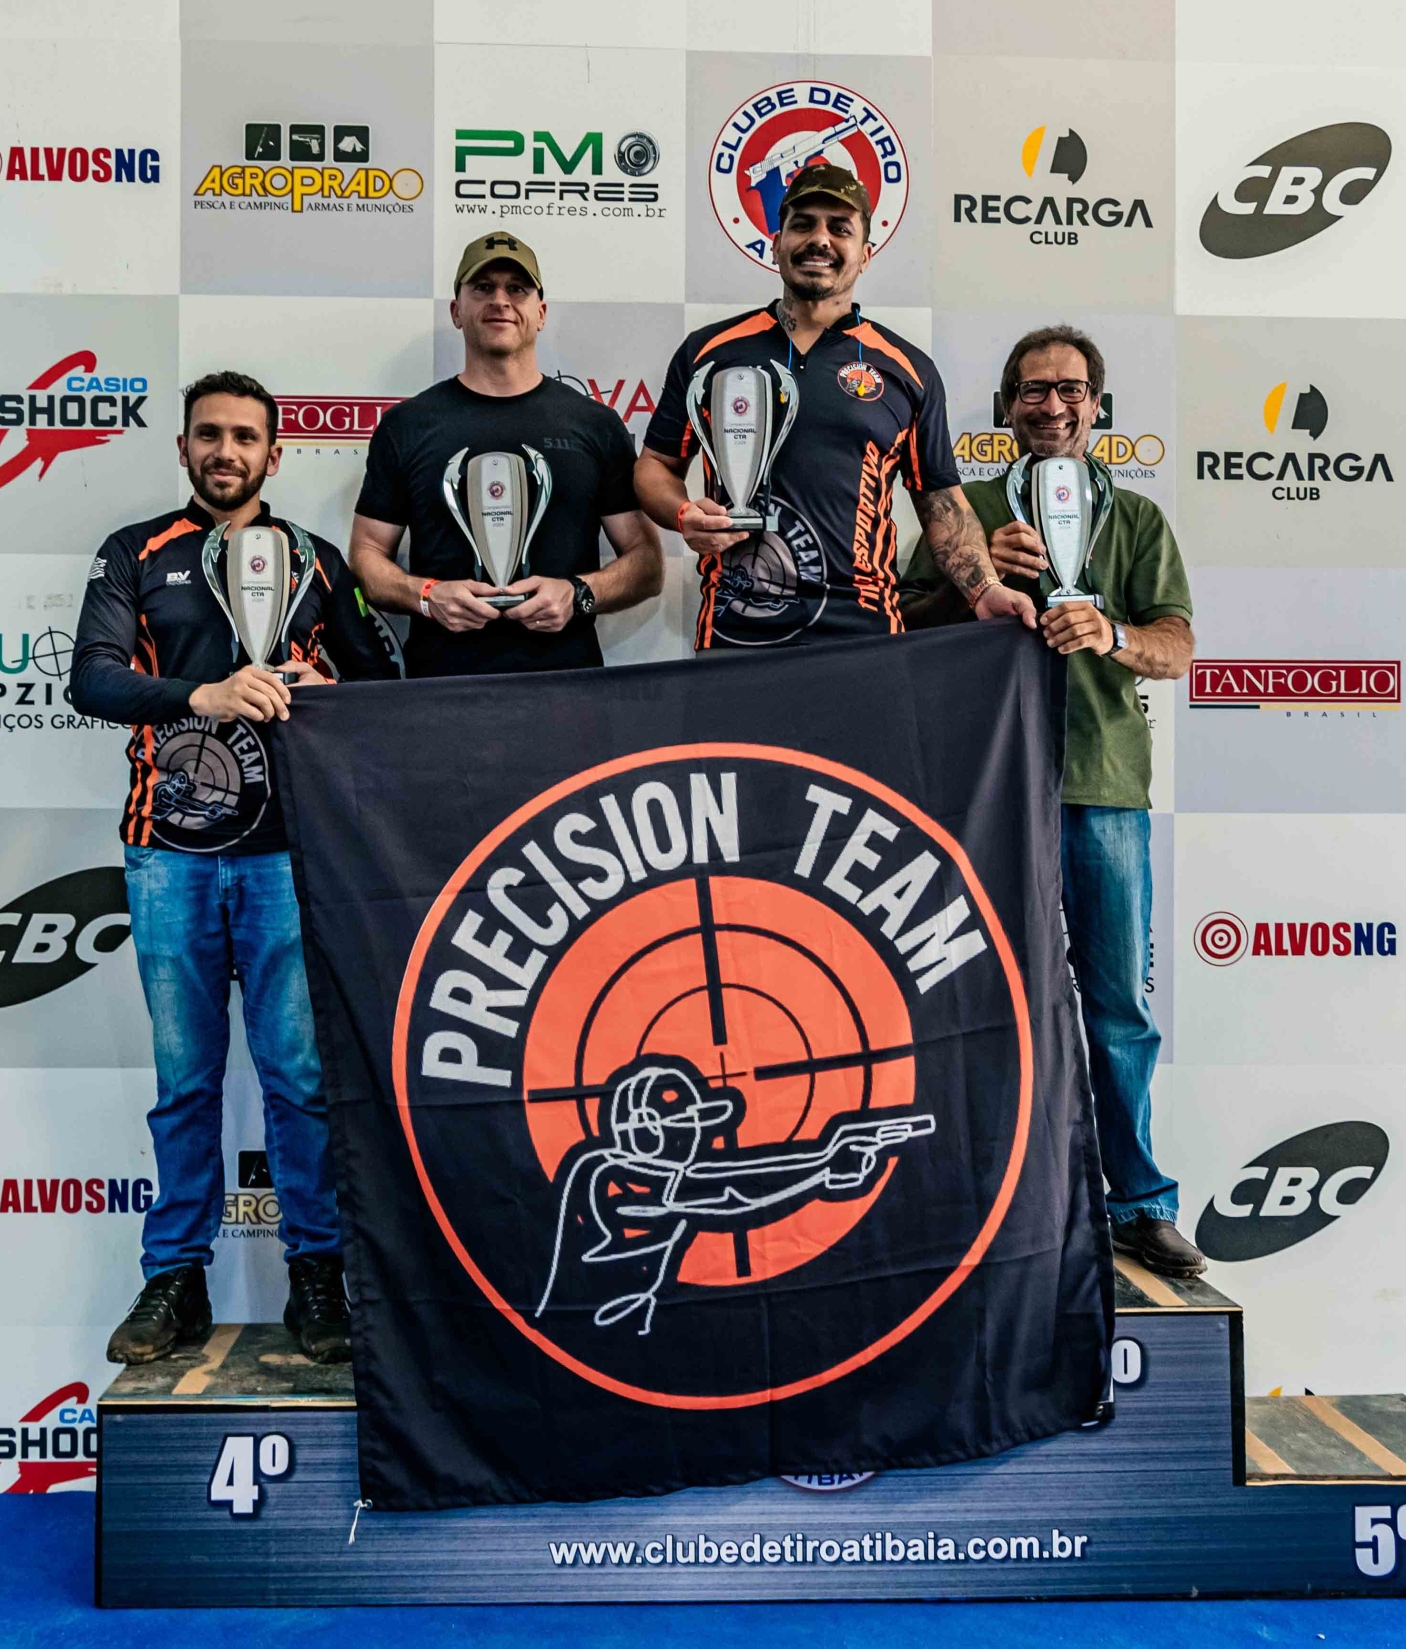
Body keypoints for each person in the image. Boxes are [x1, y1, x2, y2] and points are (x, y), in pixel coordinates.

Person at [72, 370, 401, 1366]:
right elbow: (92, 678)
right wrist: (201, 693)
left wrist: (320, 684)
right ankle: (175, 1276)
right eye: (209, 434)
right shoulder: (134, 552)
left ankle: (317, 1271)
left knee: (300, 1079)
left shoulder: (316, 561)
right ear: (183, 447)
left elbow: (383, 682)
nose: (226, 451)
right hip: (166, 853)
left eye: (245, 436)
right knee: (185, 1081)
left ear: (275, 453)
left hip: (285, 856)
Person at [898, 326, 1202, 1277]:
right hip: (985, 786)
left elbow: (1177, 646)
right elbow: (902, 623)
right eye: (1034, 389)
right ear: (1007, 407)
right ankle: (985, 1195)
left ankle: (1138, 1202)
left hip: (1103, 784)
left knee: (1117, 1006)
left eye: (1071, 389)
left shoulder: (1137, 517)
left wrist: (1112, 633)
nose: (1053, 404)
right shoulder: (969, 511)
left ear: (1097, 406)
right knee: (979, 1000)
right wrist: (979, 577)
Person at [635, 161, 1031, 649]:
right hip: (735, 632)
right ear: (776, 243)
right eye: (803, 224)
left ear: (864, 255)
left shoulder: (909, 369)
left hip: (864, 638)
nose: (819, 239)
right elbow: (655, 465)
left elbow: (941, 502)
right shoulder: (709, 352)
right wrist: (682, 515)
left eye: (839, 228)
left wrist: (984, 588)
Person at [348, 231, 662, 674]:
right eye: (482, 287)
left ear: (541, 313)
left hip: (567, 686)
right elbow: (365, 556)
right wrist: (427, 595)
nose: (500, 301)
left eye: (517, 289)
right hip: (440, 686)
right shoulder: (408, 425)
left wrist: (578, 594)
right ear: (456, 311)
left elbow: (647, 563)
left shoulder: (595, 424)